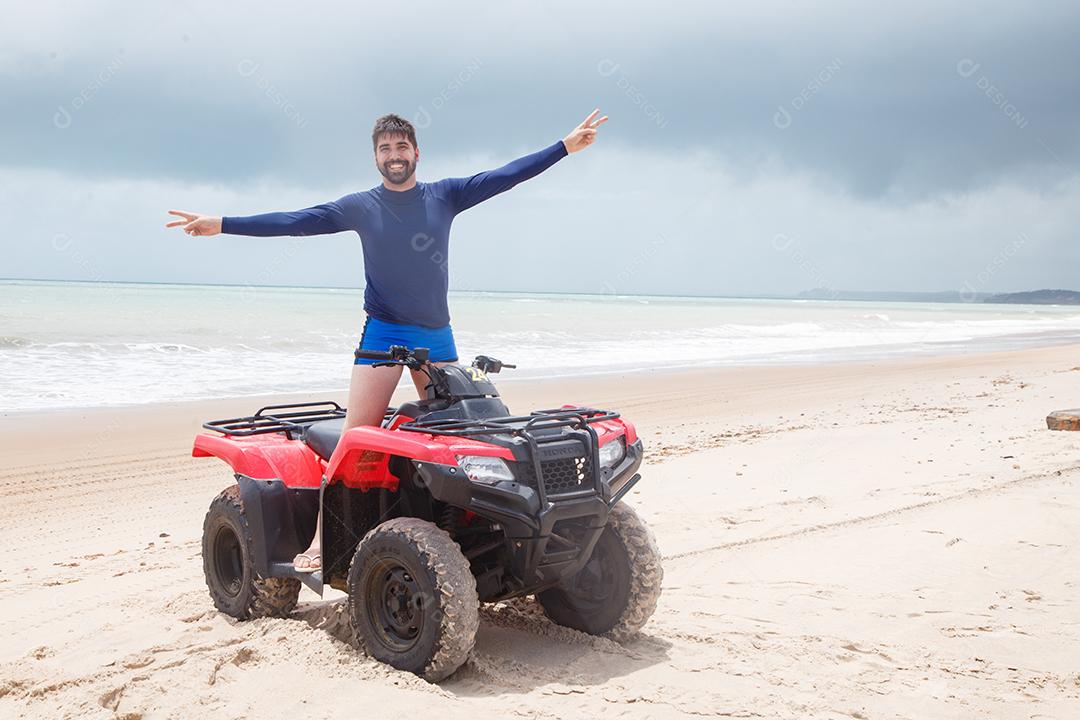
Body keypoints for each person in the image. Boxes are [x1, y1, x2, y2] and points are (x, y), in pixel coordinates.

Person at [166, 109, 608, 571]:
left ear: (416, 152)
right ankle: (320, 540)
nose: (394, 156)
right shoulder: (363, 206)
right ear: (376, 157)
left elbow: (505, 176)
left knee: (458, 438)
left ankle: (461, 535)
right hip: (383, 333)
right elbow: (298, 220)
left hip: (436, 335)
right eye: (385, 149)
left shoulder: (446, 195)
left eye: (401, 147)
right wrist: (223, 223)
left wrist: (563, 147)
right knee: (357, 437)